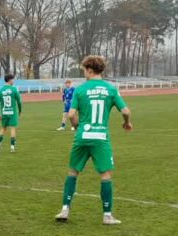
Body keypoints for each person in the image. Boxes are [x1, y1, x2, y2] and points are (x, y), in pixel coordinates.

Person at [54, 55, 132, 225]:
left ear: (89, 70)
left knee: (73, 172)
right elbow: (126, 111)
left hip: (83, 136)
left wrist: (77, 126)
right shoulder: (110, 89)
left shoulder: (80, 90)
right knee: (105, 175)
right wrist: (127, 123)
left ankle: (65, 209)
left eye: (84, 70)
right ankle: (107, 215)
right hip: (101, 137)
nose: (84, 73)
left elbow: (71, 115)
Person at [0, 73, 22, 152]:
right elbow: (19, 102)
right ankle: (12, 147)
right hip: (12, 112)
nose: (13, 81)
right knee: (13, 128)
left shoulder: (1, 90)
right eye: (13, 79)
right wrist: (20, 110)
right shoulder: (14, 89)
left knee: (3, 128)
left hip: (4, 112)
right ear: (10, 80)